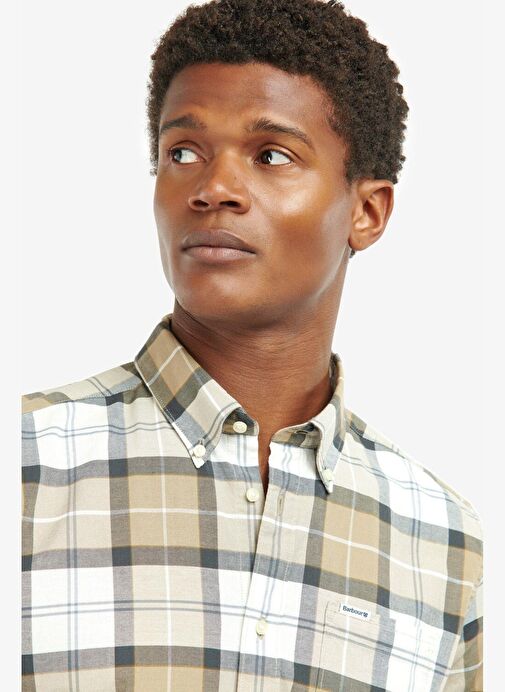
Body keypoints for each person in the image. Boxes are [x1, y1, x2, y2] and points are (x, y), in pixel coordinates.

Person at [21, 0, 483, 689]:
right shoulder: (27, 466)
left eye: (271, 155)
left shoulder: (441, 542)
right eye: (183, 153)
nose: (213, 189)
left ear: (366, 211)